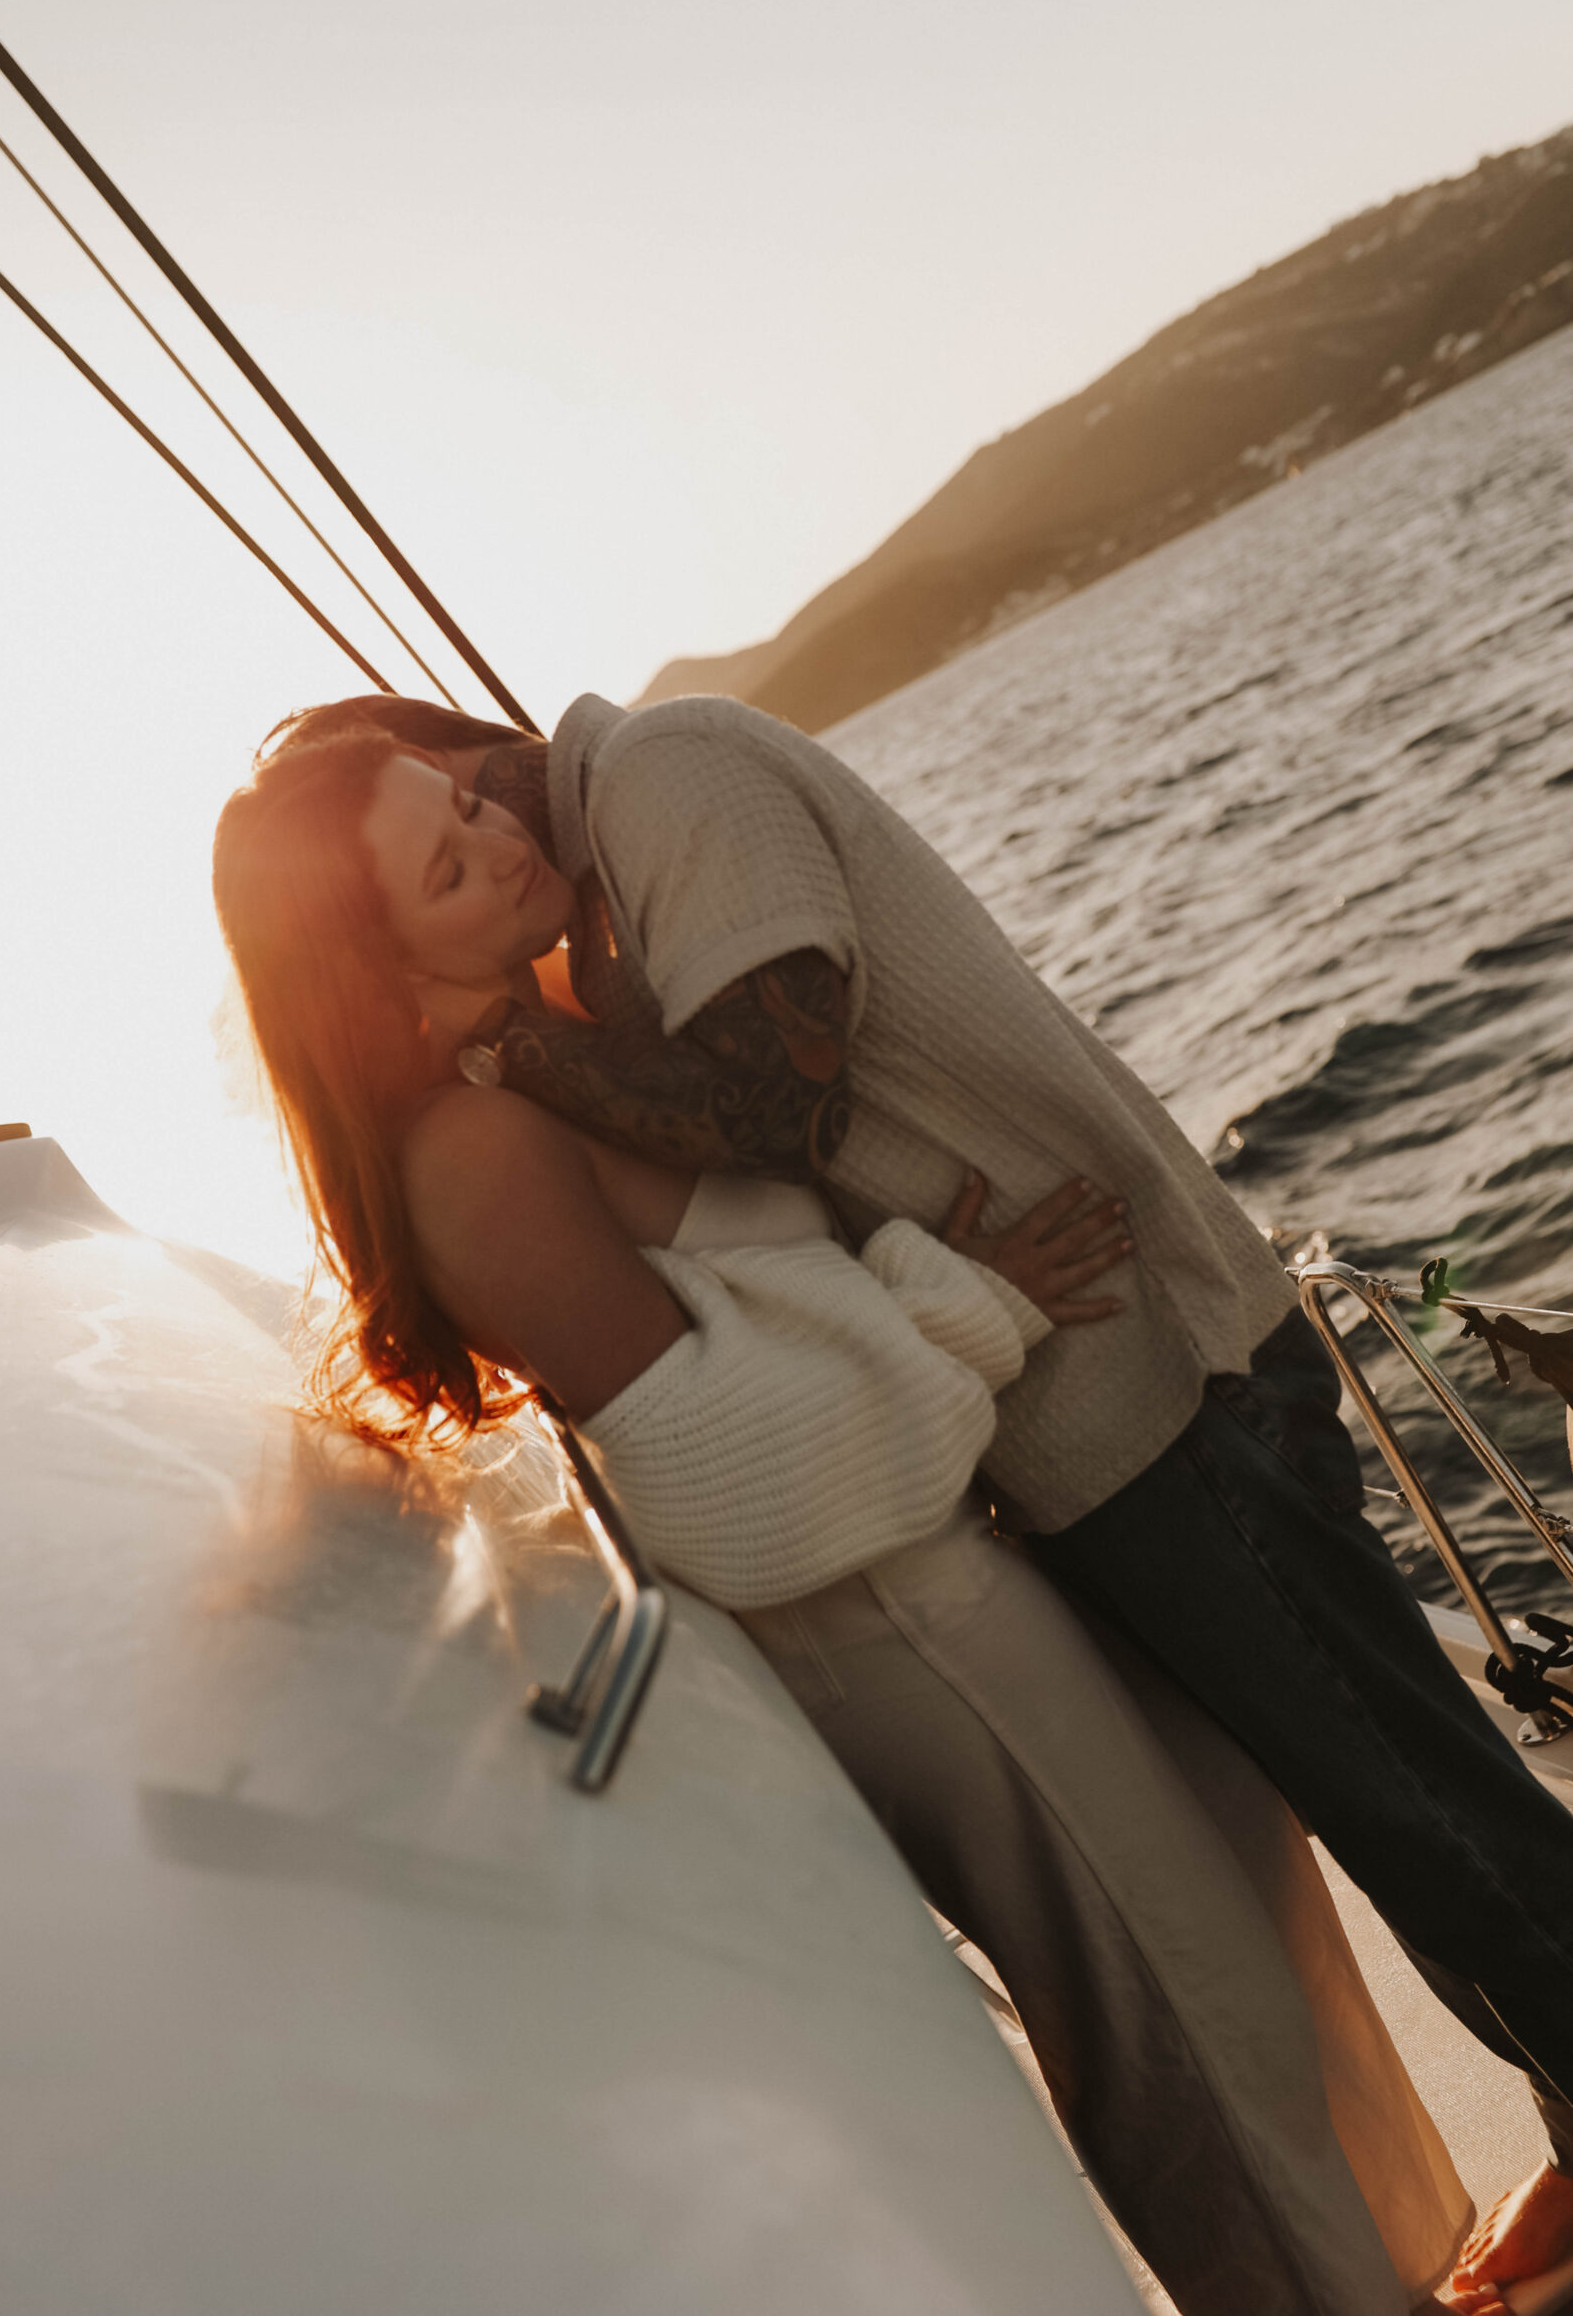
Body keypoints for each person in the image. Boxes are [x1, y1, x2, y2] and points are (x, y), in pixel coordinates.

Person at [254, 685, 1573, 2316]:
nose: (489, 837)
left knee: (1408, 1813)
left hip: (1145, 1392)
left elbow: (766, 1108)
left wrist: (511, 1031)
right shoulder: (574, 950)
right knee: (1372, 1828)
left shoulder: (666, 787)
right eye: (442, 863)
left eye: (459, 805)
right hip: (1048, 1441)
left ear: (451, 746)